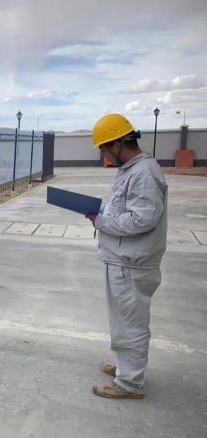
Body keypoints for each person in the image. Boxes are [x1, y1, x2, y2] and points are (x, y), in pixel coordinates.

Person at [85, 113, 168, 399]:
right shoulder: (130, 170)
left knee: (131, 323)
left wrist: (101, 221)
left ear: (118, 144)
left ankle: (130, 383)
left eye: (105, 149)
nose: (104, 156)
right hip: (122, 259)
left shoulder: (143, 173)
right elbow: (124, 209)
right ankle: (125, 367)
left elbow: (142, 219)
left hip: (132, 263)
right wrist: (99, 212)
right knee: (123, 321)